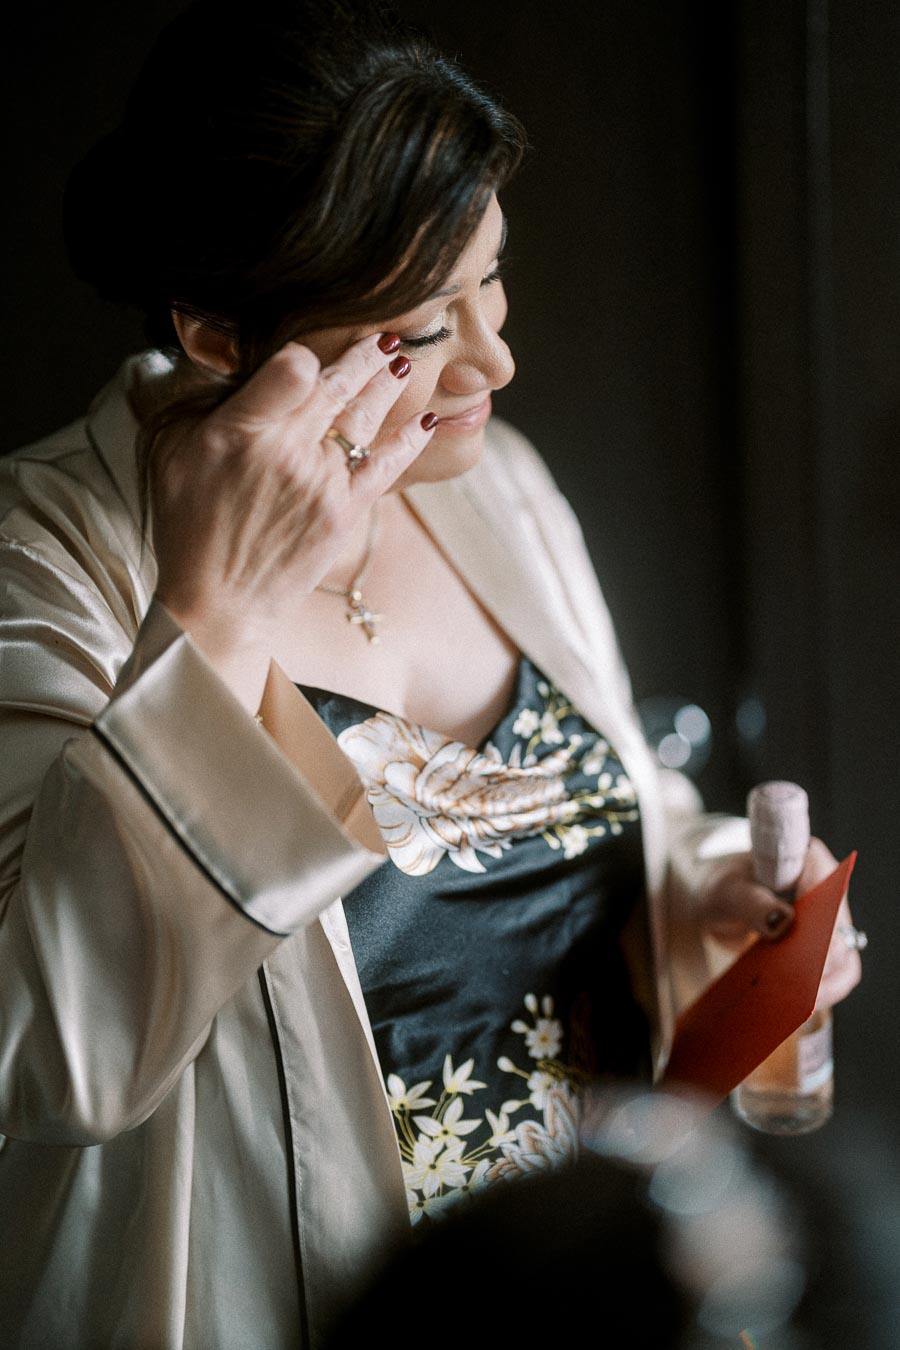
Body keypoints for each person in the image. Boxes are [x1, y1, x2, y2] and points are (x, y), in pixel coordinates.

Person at [0, 2, 862, 1347]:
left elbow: (580, 833)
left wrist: (699, 894)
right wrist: (216, 612)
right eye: (415, 328)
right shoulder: (40, 558)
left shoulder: (498, 486)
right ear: (218, 333)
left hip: (593, 1289)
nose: (494, 358)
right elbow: (45, 1047)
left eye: (490, 279)